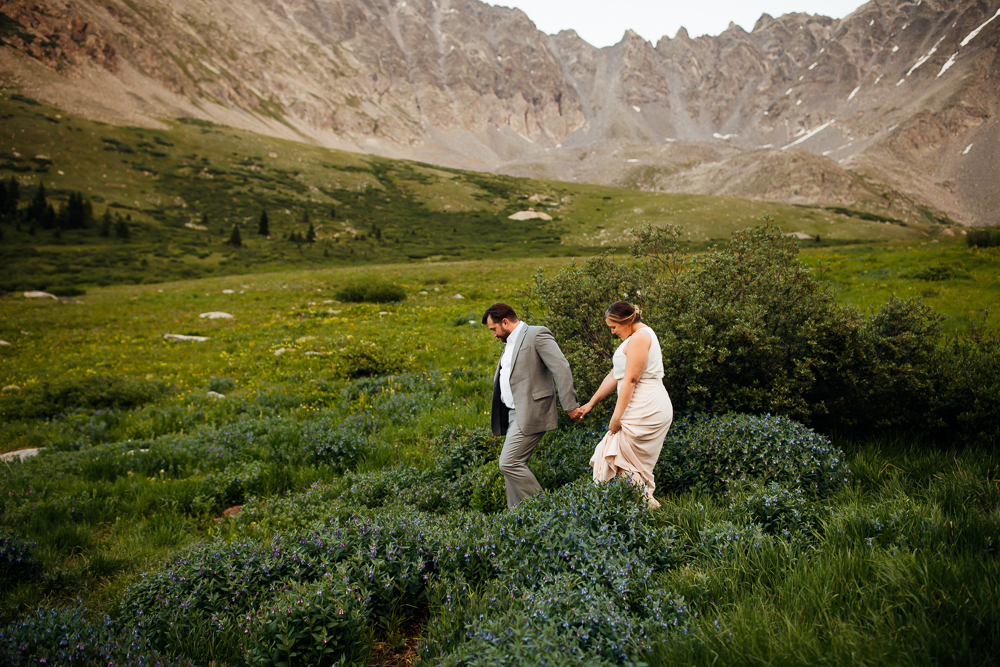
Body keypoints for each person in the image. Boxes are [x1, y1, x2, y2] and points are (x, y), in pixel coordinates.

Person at [483, 303, 583, 508]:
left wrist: (570, 405)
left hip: (530, 411)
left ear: (505, 322)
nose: (493, 335)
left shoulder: (537, 334)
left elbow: (561, 367)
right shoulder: (509, 342)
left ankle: (545, 511)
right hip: (511, 413)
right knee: (514, 465)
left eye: (494, 329)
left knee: (509, 463)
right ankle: (517, 517)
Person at [574, 301, 672, 509]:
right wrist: (591, 403)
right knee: (619, 458)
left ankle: (648, 507)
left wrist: (616, 419)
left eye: (614, 327)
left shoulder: (640, 337)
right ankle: (645, 506)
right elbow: (615, 374)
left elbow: (630, 380)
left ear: (626, 321)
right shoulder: (634, 336)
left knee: (616, 456)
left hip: (646, 407)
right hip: (642, 404)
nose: (612, 332)